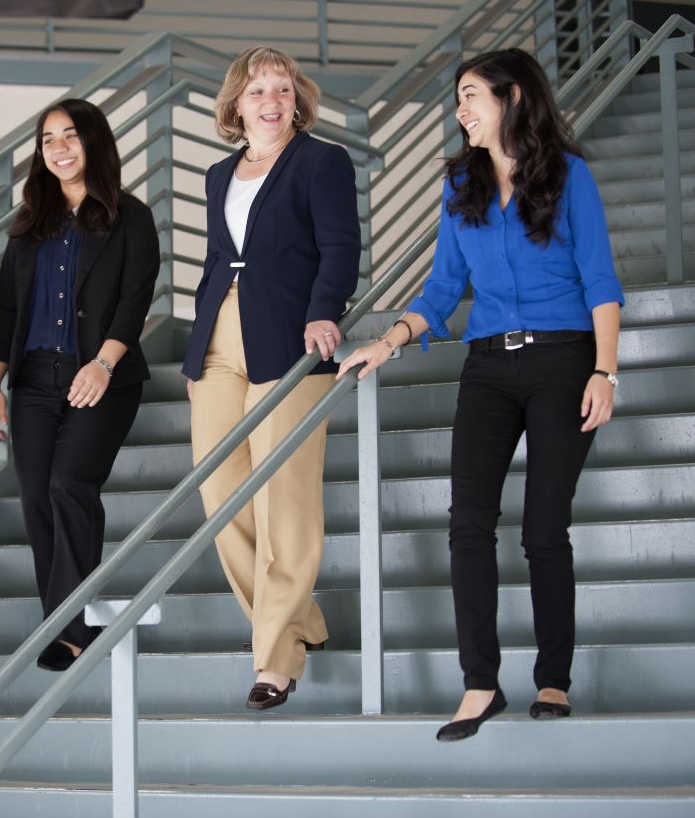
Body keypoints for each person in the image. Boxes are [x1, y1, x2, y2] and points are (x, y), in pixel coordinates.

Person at [338, 48, 624, 740]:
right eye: (458, 99)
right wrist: (392, 338)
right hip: (489, 369)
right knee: (467, 524)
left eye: (471, 95)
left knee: (543, 530)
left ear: (514, 97)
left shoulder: (568, 175)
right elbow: (443, 290)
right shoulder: (460, 184)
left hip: (564, 363)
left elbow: (600, 281)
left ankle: (552, 678)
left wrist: (604, 371)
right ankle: (479, 684)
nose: (461, 111)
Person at [182, 46, 361, 710]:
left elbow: (340, 246)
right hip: (220, 342)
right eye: (257, 90)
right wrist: (196, 355)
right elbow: (215, 263)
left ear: (297, 100)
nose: (271, 100)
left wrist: (324, 315)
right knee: (222, 497)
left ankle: (274, 659)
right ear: (236, 104)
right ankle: (300, 620)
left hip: (291, 338)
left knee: (282, 497)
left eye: (282, 89)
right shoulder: (218, 174)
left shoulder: (323, 162)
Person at [0, 98, 159, 672]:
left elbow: (135, 300)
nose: (58, 148)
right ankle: (60, 619)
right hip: (33, 379)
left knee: (68, 486)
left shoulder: (129, 216)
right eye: (48, 139)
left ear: (94, 143)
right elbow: (6, 308)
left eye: (70, 136)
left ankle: (69, 627)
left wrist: (103, 365)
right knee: (35, 498)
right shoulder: (31, 224)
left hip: (102, 377)